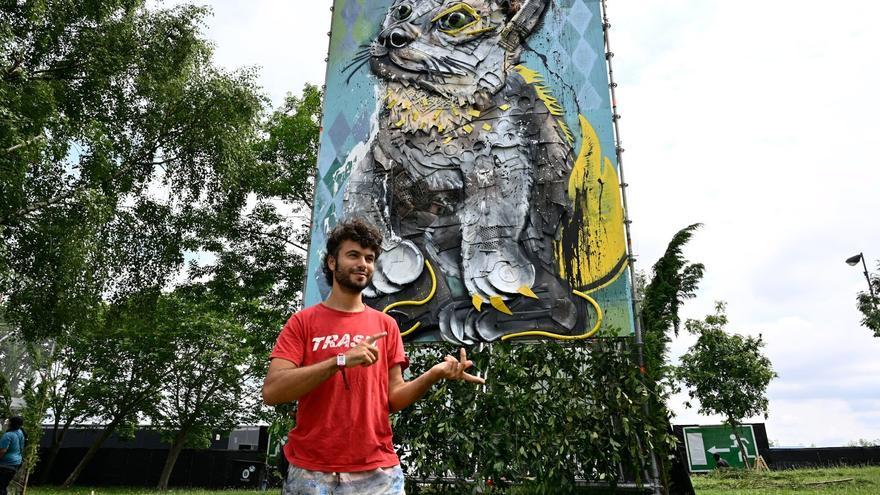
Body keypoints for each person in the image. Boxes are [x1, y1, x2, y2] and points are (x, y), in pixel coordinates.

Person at [262, 218, 485, 495]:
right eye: (353, 255)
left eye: (369, 258)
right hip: (311, 469)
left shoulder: (386, 325)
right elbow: (273, 391)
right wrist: (339, 361)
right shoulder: (302, 323)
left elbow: (393, 398)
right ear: (332, 262)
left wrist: (433, 374)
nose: (363, 264)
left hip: (377, 471)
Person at [0, 416, 26, 495]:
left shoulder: (8, 435)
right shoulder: (20, 432)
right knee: (3, 486)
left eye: (8, 421)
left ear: (11, 423)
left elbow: (2, 451)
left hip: (6, 465)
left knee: (1, 487)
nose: (7, 422)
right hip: (16, 462)